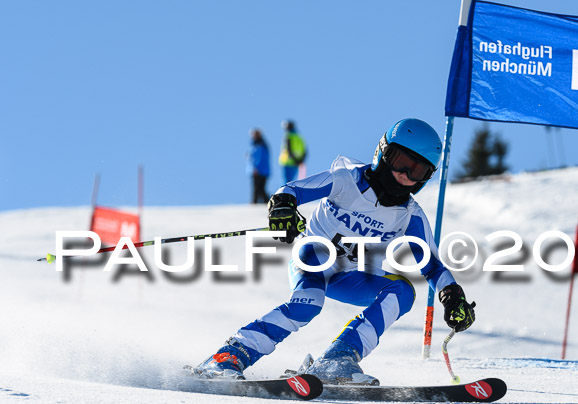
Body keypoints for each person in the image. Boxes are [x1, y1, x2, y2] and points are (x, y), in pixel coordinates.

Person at [195, 118, 476, 385]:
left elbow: (433, 266)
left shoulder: (409, 216)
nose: (405, 175)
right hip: (314, 257)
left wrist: (452, 296)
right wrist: (283, 206)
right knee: (308, 304)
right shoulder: (347, 180)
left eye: (418, 171)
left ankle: (337, 359)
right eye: (401, 162)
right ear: (383, 152)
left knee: (402, 292)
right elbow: (292, 189)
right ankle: (227, 357)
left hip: (351, 278)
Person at [246, 128, 271, 204]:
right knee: (258, 188)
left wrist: (256, 168)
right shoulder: (253, 145)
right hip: (256, 170)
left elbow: (260, 158)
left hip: (260, 171)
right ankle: (262, 201)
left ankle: (256, 202)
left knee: (259, 188)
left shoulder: (261, 145)